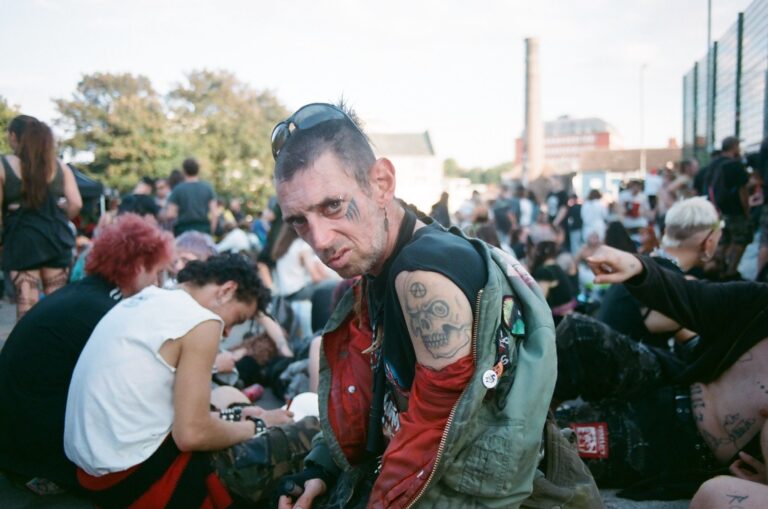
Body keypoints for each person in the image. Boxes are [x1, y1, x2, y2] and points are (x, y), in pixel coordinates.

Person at [269, 103, 584, 509]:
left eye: (332, 206)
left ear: (381, 182)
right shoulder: (378, 263)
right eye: (298, 220)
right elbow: (368, 398)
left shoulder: (422, 276)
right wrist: (321, 469)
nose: (320, 239)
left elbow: (431, 448)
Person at [64, 254, 310, 507]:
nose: (227, 332)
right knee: (309, 432)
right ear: (227, 291)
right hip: (135, 478)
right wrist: (258, 426)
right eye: (236, 320)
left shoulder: (145, 299)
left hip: (92, 475)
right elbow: (191, 434)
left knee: (231, 404)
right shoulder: (201, 321)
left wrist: (237, 418)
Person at [555, 242, 768, 499]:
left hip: (677, 446)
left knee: (557, 444)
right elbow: (691, 297)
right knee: (580, 332)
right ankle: (513, 403)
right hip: (670, 381)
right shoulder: (761, 305)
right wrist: (637, 267)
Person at [0, 214, 174, 494]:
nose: (157, 282)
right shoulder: (104, 311)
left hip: (19, 443)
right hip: (38, 457)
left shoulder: (85, 296)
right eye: (156, 272)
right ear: (140, 266)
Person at [1, 115, 82, 320]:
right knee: (57, 307)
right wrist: (59, 216)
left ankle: (27, 350)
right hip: (55, 237)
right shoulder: (59, 166)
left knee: (26, 307)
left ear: (14, 136)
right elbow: (76, 203)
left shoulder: (5, 165)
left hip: (22, 239)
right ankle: (57, 350)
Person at [706, 136, 751, 278]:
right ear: (734, 147)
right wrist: (746, 210)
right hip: (735, 211)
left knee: (723, 241)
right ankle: (731, 271)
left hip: (717, 211)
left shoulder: (713, 164)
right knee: (740, 240)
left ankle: (718, 268)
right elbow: (742, 191)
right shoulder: (735, 165)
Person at [163, 157, 217, 236]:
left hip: (183, 231)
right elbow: (215, 214)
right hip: (203, 230)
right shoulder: (208, 188)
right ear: (198, 170)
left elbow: (170, 214)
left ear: (184, 171)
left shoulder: (178, 189)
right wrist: (211, 232)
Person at [529, 240, 577, 326]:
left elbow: (540, 299)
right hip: (568, 319)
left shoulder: (544, 271)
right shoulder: (556, 267)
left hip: (558, 322)